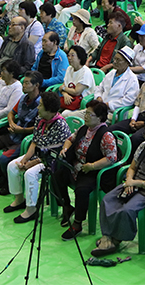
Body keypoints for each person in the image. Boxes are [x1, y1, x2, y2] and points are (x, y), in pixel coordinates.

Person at [92, 118, 145, 256]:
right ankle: (107, 236)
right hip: (135, 183)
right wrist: (129, 179)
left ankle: (117, 239)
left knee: (127, 209)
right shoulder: (144, 146)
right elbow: (132, 167)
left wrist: (135, 183)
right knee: (108, 199)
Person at [54, 99, 118, 240]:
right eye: (86, 113)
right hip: (76, 166)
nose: (86, 117)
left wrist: (93, 165)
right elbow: (70, 139)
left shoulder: (106, 135)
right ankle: (66, 206)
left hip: (91, 171)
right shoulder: (84, 128)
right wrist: (65, 148)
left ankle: (77, 224)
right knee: (56, 175)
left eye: (90, 114)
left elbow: (111, 158)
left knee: (82, 190)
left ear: (100, 118)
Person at [4, 91, 73, 223]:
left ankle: (31, 210)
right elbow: (34, 142)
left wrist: (31, 163)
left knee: (30, 174)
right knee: (12, 166)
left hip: (52, 160)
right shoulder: (40, 120)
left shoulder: (60, 125)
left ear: (50, 110)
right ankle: (19, 200)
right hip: (39, 153)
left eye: (40, 105)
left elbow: (53, 153)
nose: (37, 108)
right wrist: (24, 160)